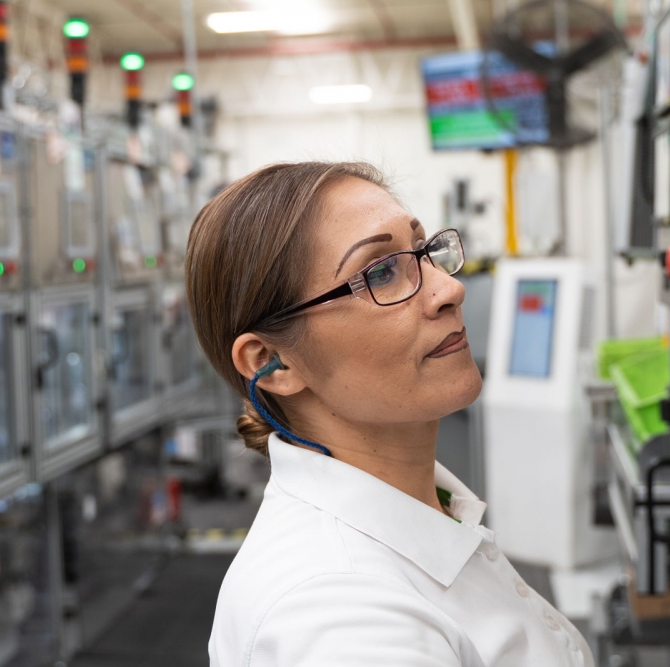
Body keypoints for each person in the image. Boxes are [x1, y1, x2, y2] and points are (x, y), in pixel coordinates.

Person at [185, 162, 593, 666]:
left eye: (425, 253)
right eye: (379, 273)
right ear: (273, 363)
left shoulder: (429, 511)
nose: (449, 290)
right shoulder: (341, 617)